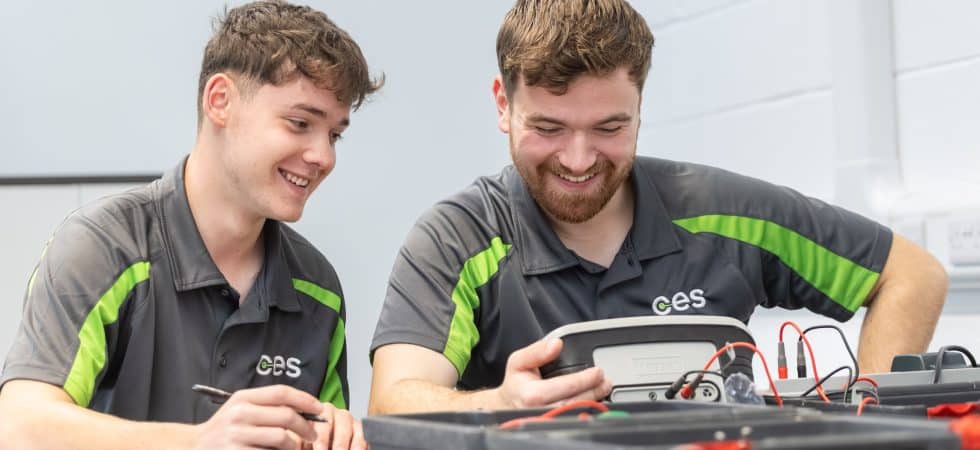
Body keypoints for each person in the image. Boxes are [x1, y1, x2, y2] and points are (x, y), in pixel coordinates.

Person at [368, 0, 948, 415]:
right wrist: (500, 401)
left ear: (640, 106)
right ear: (503, 103)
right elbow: (394, 401)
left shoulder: (724, 212)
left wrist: (874, 416)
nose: (577, 159)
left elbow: (912, 274)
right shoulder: (456, 238)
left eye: (609, 127)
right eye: (547, 127)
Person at [0, 1, 381, 448]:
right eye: (300, 123)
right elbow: (19, 427)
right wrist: (198, 441)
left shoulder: (317, 287)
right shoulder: (103, 248)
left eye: (334, 135)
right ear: (220, 100)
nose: (324, 157)